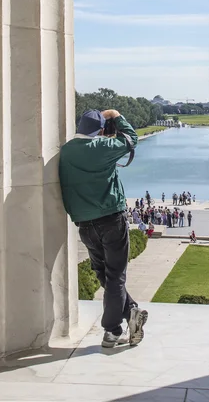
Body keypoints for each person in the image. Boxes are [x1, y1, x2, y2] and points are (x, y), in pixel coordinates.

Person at [59, 109, 148, 348]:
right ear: (99, 131)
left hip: (85, 225)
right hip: (111, 220)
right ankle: (112, 330)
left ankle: (131, 312)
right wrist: (117, 116)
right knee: (115, 276)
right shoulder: (101, 148)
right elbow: (131, 139)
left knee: (103, 275)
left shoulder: (66, 150)